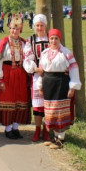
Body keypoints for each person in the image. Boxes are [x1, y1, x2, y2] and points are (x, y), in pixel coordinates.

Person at [36, 29, 81, 149]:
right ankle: (54, 137)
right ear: (48, 40)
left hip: (61, 83)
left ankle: (61, 139)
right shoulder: (45, 53)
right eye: (51, 38)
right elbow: (41, 71)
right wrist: (40, 86)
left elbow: (74, 69)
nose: (53, 41)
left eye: (56, 38)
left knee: (60, 110)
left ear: (59, 39)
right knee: (51, 111)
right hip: (48, 83)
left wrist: (73, 87)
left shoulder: (65, 53)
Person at [0, 14, 30, 140]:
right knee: (8, 100)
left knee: (19, 101)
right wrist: (0, 79)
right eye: (13, 28)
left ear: (20, 30)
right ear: (9, 28)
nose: (15, 31)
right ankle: (8, 128)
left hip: (20, 75)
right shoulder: (3, 43)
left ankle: (15, 127)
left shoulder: (24, 43)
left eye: (17, 29)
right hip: (7, 74)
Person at [22, 14, 50, 142]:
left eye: (41, 25)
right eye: (37, 25)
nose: (39, 28)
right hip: (37, 74)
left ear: (45, 25)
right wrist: (36, 69)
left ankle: (47, 130)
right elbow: (27, 58)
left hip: (51, 75)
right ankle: (37, 129)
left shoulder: (51, 38)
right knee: (38, 106)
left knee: (49, 104)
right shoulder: (31, 40)